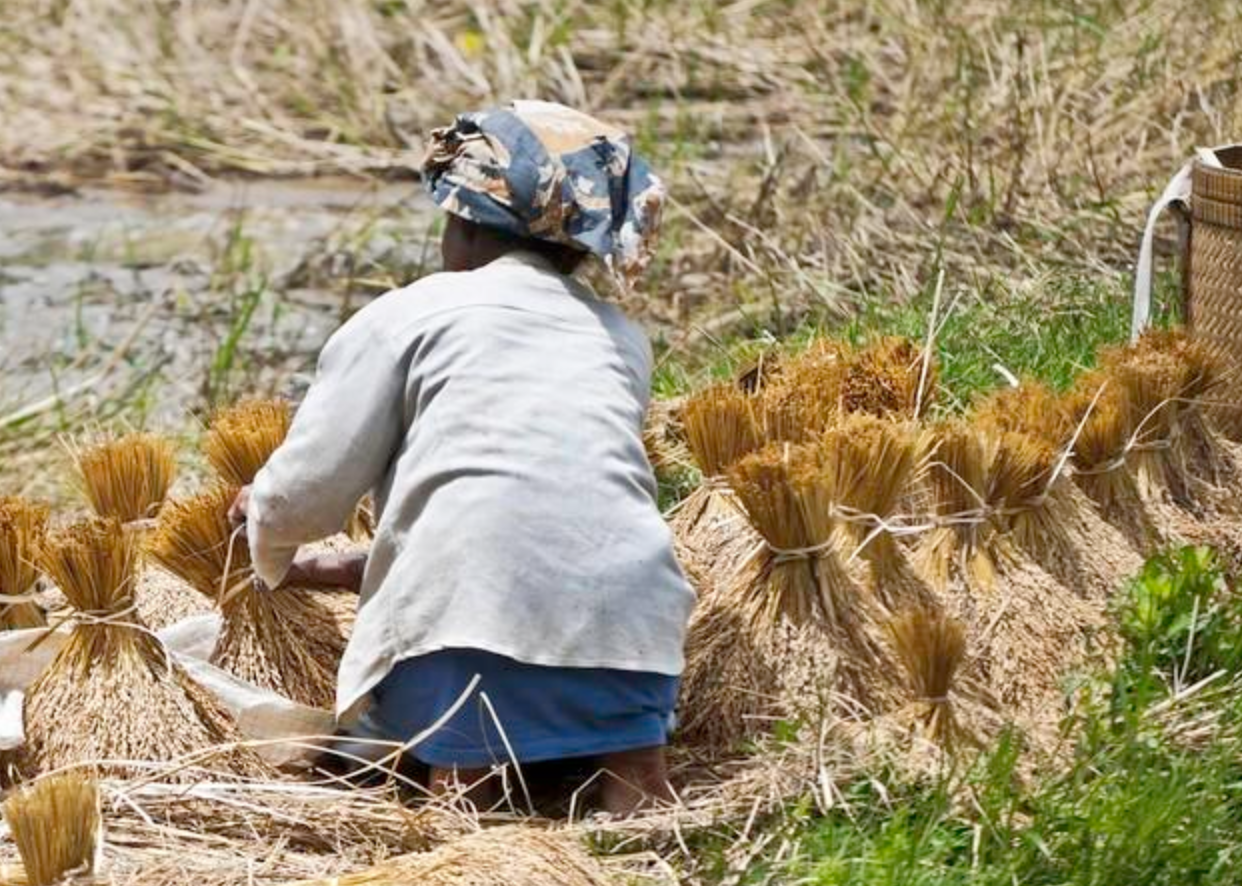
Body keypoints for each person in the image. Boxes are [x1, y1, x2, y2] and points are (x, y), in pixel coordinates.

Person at [230, 100, 695, 815]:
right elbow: (548, 502)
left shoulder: (410, 314)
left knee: (457, 789)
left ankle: (469, 819)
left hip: (473, 634)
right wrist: (344, 567)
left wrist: (262, 517)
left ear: (466, 225)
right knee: (633, 784)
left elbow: (312, 487)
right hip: (634, 635)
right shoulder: (620, 336)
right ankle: (641, 793)